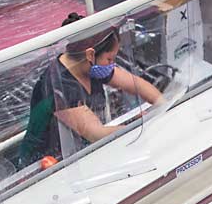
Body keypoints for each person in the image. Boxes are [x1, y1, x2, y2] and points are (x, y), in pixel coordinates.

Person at [17, 14, 163, 166]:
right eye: (109, 59)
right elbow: (96, 133)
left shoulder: (90, 66)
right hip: (47, 165)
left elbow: (137, 84)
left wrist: (162, 104)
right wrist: (142, 127)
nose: (112, 65)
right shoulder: (59, 86)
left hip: (80, 154)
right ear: (90, 54)